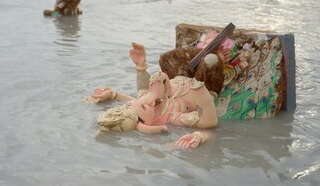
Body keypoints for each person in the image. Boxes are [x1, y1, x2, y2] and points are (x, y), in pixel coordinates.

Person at [85, 42, 221, 149]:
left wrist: (115, 93)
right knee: (211, 62)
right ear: (147, 124)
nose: (147, 102)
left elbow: (141, 92)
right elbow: (209, 124)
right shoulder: (172, 118)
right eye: (144, 108)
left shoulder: (145, 100)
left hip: (179, 78)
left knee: (167, 59)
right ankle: (217, 54)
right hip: (203, 85)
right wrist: (199, 136)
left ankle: (210, 47)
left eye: (138, 102)